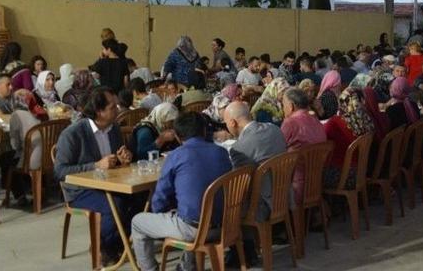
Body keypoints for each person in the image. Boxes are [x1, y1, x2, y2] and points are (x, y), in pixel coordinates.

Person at [131, 112, 231, 271]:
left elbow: (160, 198)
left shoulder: (176, 156)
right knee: (189, 211)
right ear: (205, 131)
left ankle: (150, 269)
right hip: (225, 225)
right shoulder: (222, 152)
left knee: (138, 222)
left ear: (177, 136)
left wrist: (162, 214)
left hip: (194, 230)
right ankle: (187, 266)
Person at [54, 87, 140, 264]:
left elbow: (115, 159)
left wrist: (124, 158)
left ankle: (116, 242)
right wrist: (96, 165)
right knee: (114, 204)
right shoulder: (73, 134)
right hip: (81, 190)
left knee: (141, 198)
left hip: (111, 184)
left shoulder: (114, 128)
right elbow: (60, 171)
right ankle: (104, 247)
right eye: (112, 107)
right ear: (99, 112)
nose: (117, 109)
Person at [224, 101, 287, 228]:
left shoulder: (238, 148)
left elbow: (239, 187)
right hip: (285, 195)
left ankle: (243, 244)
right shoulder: (274, 129)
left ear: (232, 122)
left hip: (263, 205)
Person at [280, 88, 327, 204]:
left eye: (283, 104)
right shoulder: (314, 119)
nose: (282, 108)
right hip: (317, 182)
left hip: (297, 185)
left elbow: (278, 149)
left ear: (291, 106)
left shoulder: (290, 122)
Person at [323, 88, 374, 189]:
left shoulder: (335, 123)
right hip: (361, 172)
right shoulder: (367, 119)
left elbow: (322, 137)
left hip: (344, 175)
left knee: (313, 175)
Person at [5, 90, 43, 206]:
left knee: (5, 159)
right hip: (46, 158)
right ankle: (33, 189)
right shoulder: (38, 113)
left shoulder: (16, 115)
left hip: (30, 159)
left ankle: (20, 195)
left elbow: (15, 145)